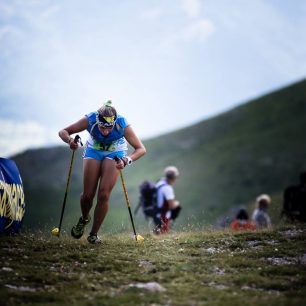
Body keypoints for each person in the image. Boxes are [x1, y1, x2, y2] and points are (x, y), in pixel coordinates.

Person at [58, 100, 146, 244]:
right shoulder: (91, 118)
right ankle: (84, 218)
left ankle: (93, 234)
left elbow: (141, 149)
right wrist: (70, 141)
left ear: (114, 123)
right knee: (87, 195)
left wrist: (126, 160)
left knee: (104, 194)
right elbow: (63, 132)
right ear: (97, 121)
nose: (105, 131)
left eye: (109, 128)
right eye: (102, 127)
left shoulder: (122, 123)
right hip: (94, 150)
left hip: (115, 152)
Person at [154, 166, 181, 234]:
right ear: (174, 177)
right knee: (163, 235)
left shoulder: (160, 183)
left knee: (158, 233)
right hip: (164, 214)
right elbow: (172, 206)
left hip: (156, 213)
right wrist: (177, 204)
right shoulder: (167, 188)